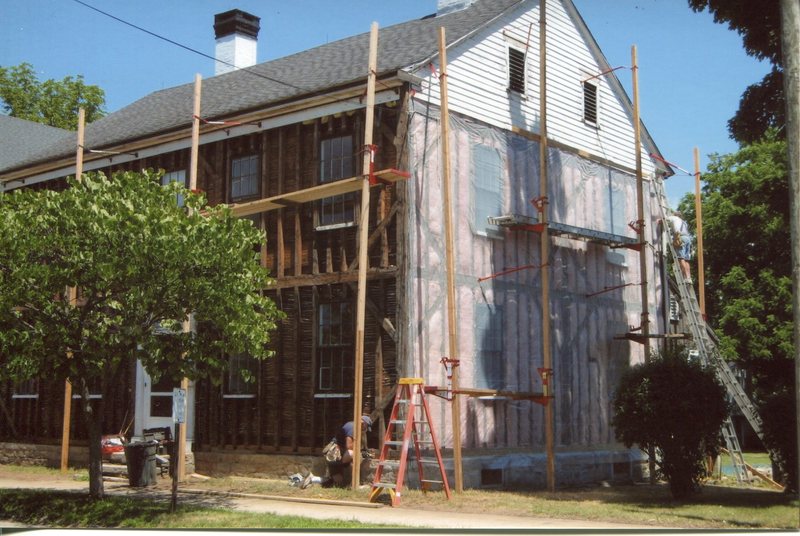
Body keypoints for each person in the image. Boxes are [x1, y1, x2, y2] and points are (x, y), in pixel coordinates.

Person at [302, 415, 372, 489]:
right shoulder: (353, 427)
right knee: (354, 454)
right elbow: (349, 447)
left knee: (338, 483)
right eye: (366, 427)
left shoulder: (351, 425)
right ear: (363, 423)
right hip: (334, 455)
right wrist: (360, 451)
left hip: (335, 457)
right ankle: (356, 484)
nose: (365, 429)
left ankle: (312, 479)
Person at [667, 209, 692, 283]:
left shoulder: (673, 218)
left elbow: (663, 219)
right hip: (687, 239)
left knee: (680, 258)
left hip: (680, 238)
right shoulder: (684, 222)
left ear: (674, 215)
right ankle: (689, 277)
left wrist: (659, 220)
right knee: (686, 259)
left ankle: (686, 277)